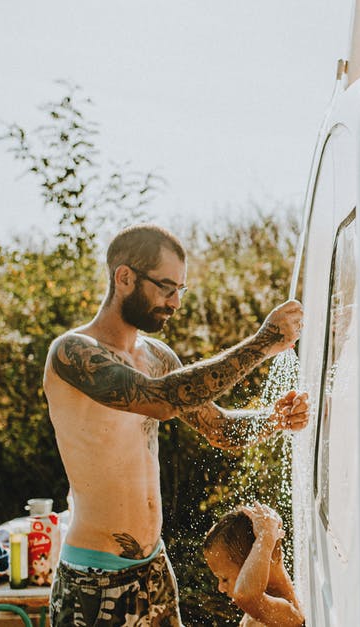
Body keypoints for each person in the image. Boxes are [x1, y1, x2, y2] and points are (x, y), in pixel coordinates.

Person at [43, 223, 310, 626]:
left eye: (180, 290)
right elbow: (161, 400)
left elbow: (220, 430)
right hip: (95, 580)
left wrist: (275, 419)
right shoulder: (72, 353)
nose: (174, 303)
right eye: (166, 288)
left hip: (155, 568)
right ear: (125, 277)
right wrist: (260, 344)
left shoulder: (158, 355)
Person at [203, 503, 304, 627]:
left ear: (254, 562)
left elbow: (245, 596)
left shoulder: (288, 613)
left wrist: (266, 537)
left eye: (224, 579)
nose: (220, 588)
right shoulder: (260, 609)